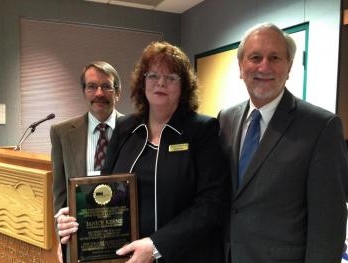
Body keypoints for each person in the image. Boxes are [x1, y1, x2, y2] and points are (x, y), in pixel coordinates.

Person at [56, 41, 229, 263]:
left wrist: (157, 245)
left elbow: (211, 203)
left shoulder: (201, 130)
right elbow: (105, 188)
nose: (161, 83)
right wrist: (76, 214)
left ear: (184, 86)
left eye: (171, 77)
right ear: (142, 82)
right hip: (128, 257)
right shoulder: (126, 128)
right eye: (153, 76)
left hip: (186, 255)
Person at [218, 22, 348, 263]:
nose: (264, 66)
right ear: (240, 66)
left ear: (288, 67)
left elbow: (329, 225)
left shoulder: (321, 127)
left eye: (275, 57)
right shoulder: (226, 118)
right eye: (255, 57)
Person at [51, 61, 122, 262]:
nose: (99, 93)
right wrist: (61, 238)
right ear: (84, 91)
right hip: (81, 240)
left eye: (106, 86)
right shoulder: (61, 133)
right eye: (92, 86)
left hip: (123, 239)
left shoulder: (135, 130)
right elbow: (59, 195)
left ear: (118, 92)